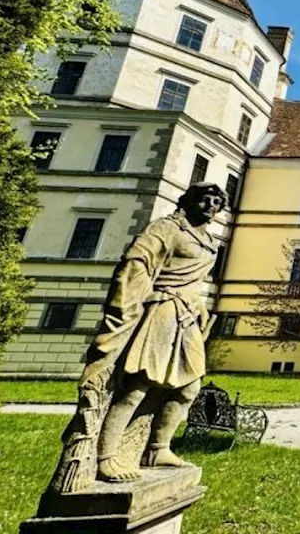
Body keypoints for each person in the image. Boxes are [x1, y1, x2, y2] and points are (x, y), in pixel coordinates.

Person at [48, 184, 227, 492]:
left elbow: (193, 279)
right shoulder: (167, 228)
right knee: (136, 386)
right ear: (189, 201)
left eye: (217, 201)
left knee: (189, 387)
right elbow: (137, 262)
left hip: (186, 317)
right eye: (205, 199)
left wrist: (197, 304)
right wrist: (127, 305)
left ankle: (159, 448)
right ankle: (105, 457)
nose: (211, 205)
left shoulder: (209, 240)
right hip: (160, 311)